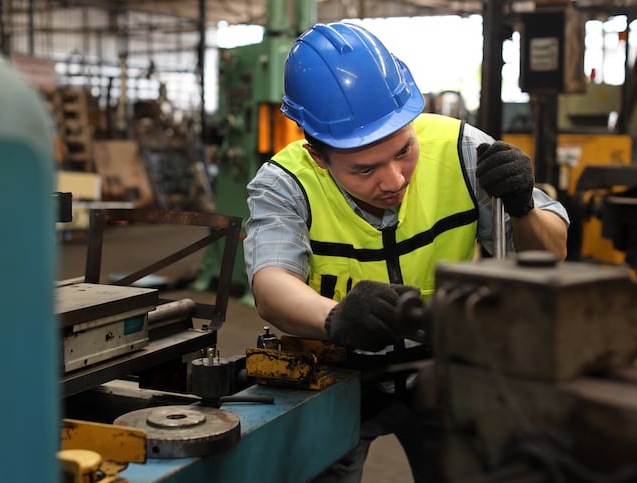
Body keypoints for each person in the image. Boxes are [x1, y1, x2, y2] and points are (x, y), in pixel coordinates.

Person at [243, 21, 569, 483]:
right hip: (334, 372)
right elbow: (270, 286)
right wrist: (334, 319)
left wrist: (522, 208)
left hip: (443, 368)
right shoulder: (286, 183)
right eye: (364, 169)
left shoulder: (462, 150)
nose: (394, 180)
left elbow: (552, 257)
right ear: (318, 154)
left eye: (404, 151)